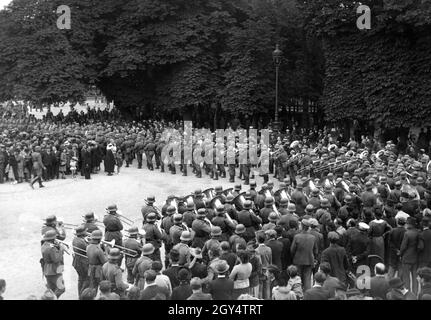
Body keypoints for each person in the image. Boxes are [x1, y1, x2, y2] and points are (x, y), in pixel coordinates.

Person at [290, 218, 318, 291]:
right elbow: (316, 251)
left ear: (302, 226)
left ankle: (299, 295)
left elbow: (292, 250)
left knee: (298, 280)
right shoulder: (313, 237)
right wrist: (314, 258)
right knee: (307, 280)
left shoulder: (297, 237)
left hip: (298, 261)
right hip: (309, 261)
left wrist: (294, 258)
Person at [40, 230, 66, 298]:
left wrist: (57, 247)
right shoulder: (51, 248)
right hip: (55, 271)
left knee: (52, 289)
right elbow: (56, 259)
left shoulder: (44, 245)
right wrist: (61, 249)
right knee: (61, 288)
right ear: (52, 239)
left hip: (47, 270)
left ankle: (49, 298)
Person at [400, 217, 419, 295]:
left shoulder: (407, 233)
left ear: (410, 224)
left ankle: (407, 294)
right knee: (415, 277)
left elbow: (403, 246)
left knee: (406, 278)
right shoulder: (418, 232)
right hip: (416, 258)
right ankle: (415, 292)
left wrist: (400, 254)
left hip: (407, 258)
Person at [72, 226, 90, 297]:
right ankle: (83, 295)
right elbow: (88, 249)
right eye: (85, 231)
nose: (87, 232)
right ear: (83, 233)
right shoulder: (81, 242)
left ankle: (80, 295)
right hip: (83, 263)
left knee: (81, 279)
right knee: (87, 280)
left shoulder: (75, 239)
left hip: (77, 262)